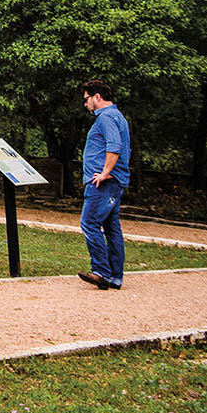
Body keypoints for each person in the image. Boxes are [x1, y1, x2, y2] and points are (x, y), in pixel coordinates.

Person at [77, 79, 131, 290]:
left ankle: (101, 271)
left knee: (89, 222)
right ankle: (115, 277)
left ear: (97, 97)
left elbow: (115, 147)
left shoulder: (106, 118)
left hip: (103, 183)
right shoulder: (118, 117)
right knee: (111, 227)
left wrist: (105, 173)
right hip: (114, 181)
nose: (85, 104)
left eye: (87, 99)